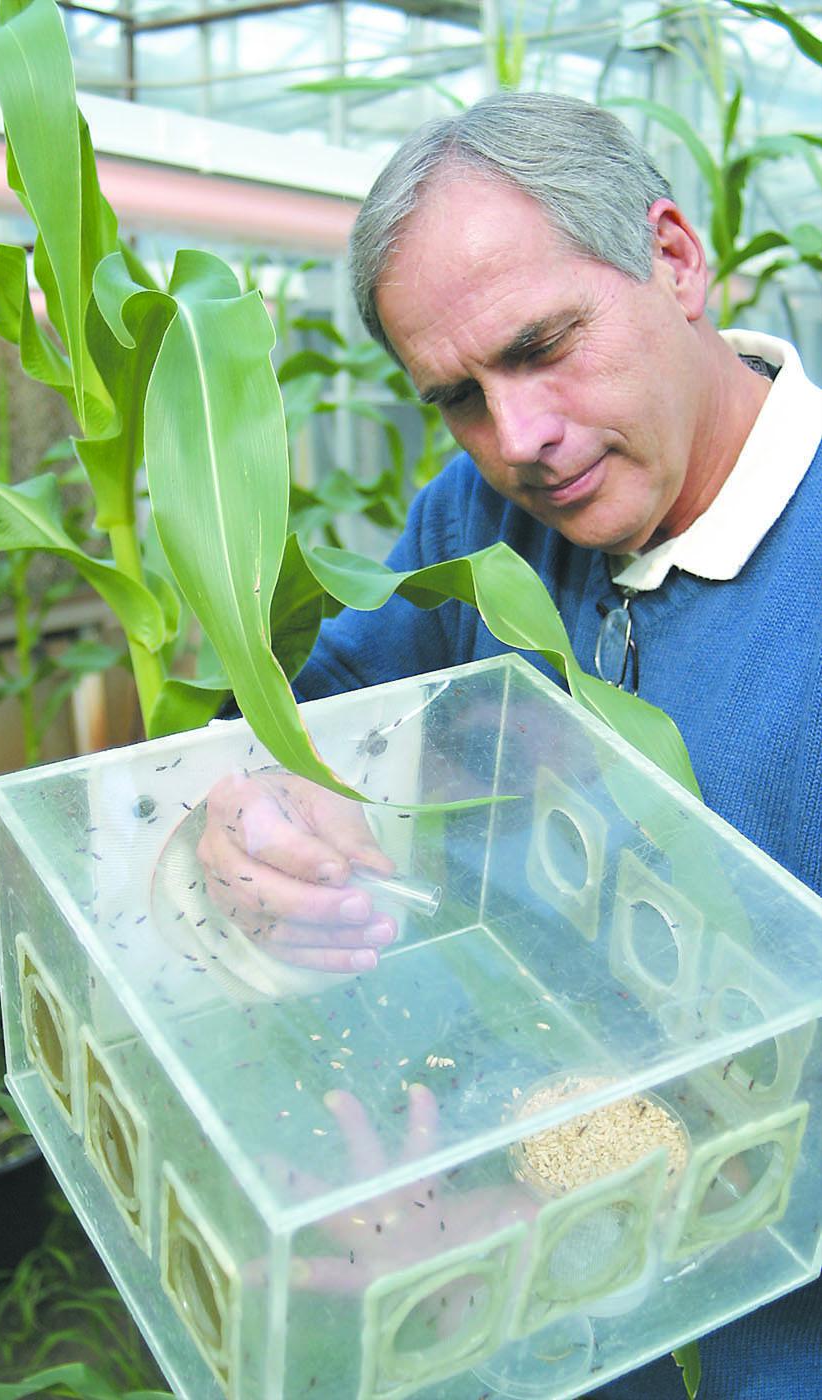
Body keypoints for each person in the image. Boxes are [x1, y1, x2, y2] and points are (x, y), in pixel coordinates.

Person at [200, 92, 822, 1397]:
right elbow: (312, 703)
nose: (519, 439)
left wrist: (545, 1234)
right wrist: (256, 797)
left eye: (544, 345)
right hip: (542, 1286)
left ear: (672, 257)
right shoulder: (476, 517)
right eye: (457, 397)